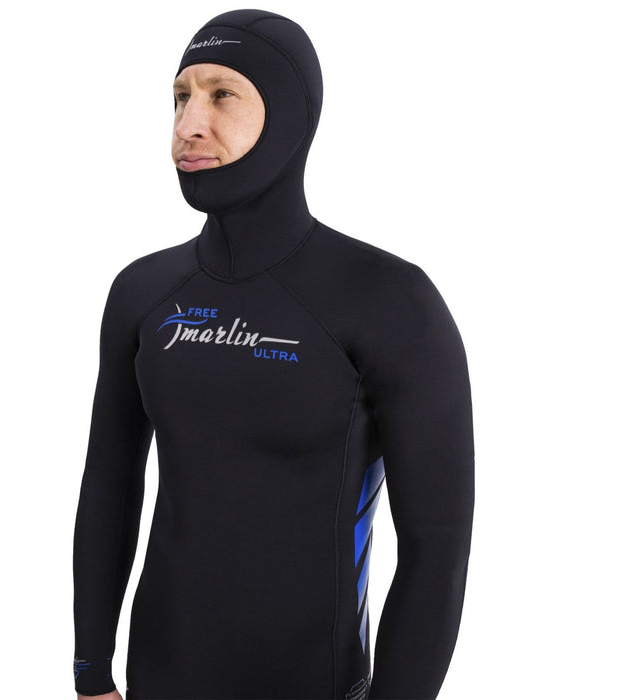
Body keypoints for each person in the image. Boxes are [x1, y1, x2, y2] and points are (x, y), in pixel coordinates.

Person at [72, 8, 475, 700]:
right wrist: (90, 670)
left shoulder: (389, 300)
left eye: (222, 94)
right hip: (159, 681)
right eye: (180, 96)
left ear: (289, 115)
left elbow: (437, 548)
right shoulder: (143, 293)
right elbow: (109, 486)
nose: (188, 124)